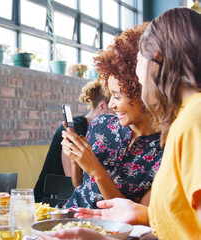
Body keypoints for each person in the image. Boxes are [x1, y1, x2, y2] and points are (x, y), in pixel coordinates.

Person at [47, 7, 201, 240]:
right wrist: (136, 213)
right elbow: (178, 220)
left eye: (139, 61)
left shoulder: (191, 121)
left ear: (156, 58)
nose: (139, 75)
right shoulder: (186, 119)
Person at [61, 22, 163, 209]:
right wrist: (76, 158)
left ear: (145, 93)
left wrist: (96, 170)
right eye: (110, 95)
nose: (110, 105)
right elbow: (80, 186)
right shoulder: (102, 125)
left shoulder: (165, 150)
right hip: (70, 216)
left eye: (117, 96)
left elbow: (136, 218)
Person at [34, 80, 112, 203]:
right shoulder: (75, 129)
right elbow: (71, 178)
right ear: (102, 106)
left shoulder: (96, 132)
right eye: (113, 109)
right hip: (51, 201)